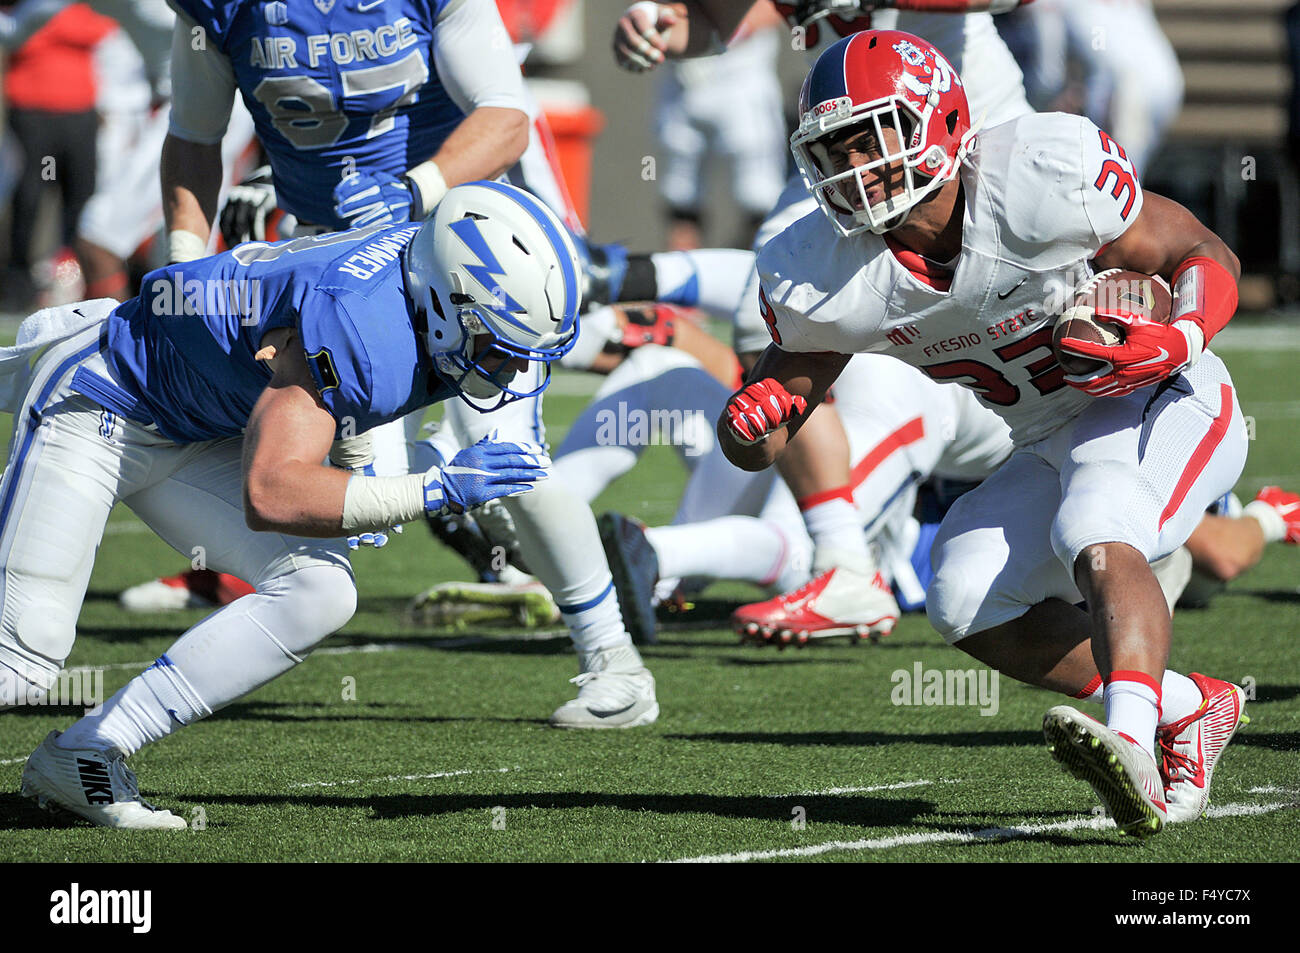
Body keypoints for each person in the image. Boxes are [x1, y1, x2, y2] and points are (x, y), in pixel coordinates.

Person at [717, 31, 1249, 836]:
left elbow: (1198, 249)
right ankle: (1190, 706)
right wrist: (747, 426)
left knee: (1096, 521)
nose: (854, 167)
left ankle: (1133, 744)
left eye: (873, 136)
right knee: (963, 591)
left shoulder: (1039, 174)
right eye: (832, 150)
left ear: (941, 120)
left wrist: (1177, 337)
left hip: (1166, 392)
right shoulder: (829, 271)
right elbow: (773, 415)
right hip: (1044, 435)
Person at [121, 0, 660, 727]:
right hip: (327, 255)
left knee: (501, 446)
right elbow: (194, 135)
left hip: (457, 235)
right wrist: (185, 260)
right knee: (277, 443)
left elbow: (505, 119)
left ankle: (614, 661)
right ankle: (227, 573)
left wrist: (412, 192)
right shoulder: (225, 9)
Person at [2, 181, 571, 829]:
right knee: (20, 659)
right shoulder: (361, 320)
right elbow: (271, 491)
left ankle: (87, 752)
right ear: (446, 299)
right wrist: (434, 489)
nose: (513, 367)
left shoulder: (417, 285)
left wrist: (364, 466)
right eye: (499, 342)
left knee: (318, 589)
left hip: (196, 425)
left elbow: (352, 385)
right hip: (105, 394)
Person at [613, 0, 1039, 644]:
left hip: (966, 120)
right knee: (785, 297)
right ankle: (843, 558)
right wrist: (674, 29)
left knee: (1033, 307)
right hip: (858, 141)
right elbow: (725, 16)